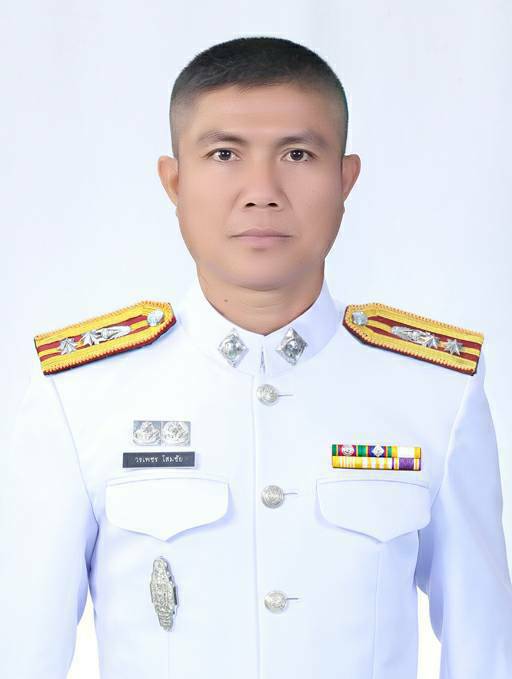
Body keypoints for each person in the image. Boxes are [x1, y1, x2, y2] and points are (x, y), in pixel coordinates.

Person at [1, 35, 511, 679]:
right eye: (224, 154)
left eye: (298, 154)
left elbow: (485, 649)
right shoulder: (80, 394)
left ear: (345, 180)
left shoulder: (435, 392)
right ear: (174, 181)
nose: (262, 191)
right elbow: (22, 650)